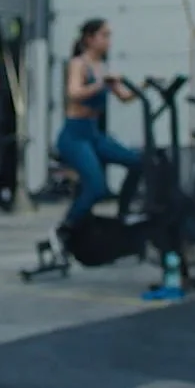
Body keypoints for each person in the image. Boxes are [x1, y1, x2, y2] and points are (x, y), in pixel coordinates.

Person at [54, 18, 142, 240]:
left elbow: (124, 97)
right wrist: (101, 84)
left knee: (137, 161)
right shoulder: (79, 64)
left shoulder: (102, 66)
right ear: (90, 39)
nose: (109, 40)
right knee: (96, 187)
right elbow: (74, 93)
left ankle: (124, 214)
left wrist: (145, 86)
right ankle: (66, 229)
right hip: (75, 135)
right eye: (104, 35)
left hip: (93, 133)